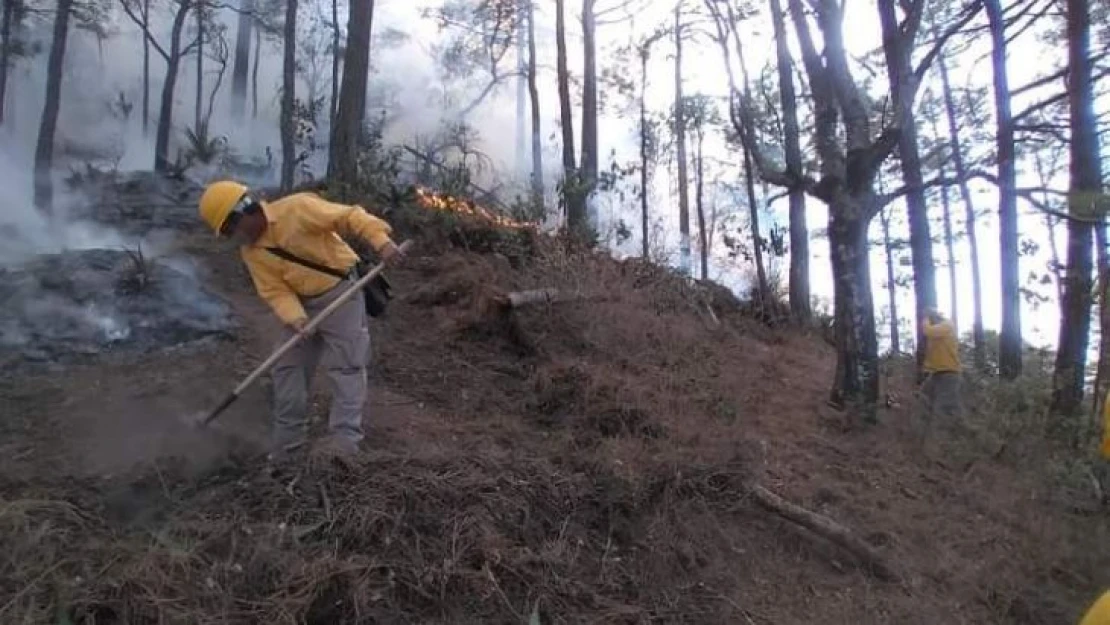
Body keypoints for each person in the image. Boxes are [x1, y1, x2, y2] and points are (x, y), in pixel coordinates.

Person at [198, 180, 404, 461]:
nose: (234, 237)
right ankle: (288, 449)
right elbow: (275, 290)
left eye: (231, 228)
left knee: (347, 367)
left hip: (342, 291)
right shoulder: (252, 253)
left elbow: (350, 216)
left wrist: (382, 243)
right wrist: (295, 319)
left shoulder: (297, 209)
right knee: (287, 368)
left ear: (244, 211)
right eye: (227, 233)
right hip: (303, 305)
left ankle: (343, 446)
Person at [918, 308, 961, 443]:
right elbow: (933, 353)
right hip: (937, 373)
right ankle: (924, 436)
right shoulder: (937, 333)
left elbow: (928, 331)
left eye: (932, 318)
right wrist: (925, 368)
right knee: (923, 399)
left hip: (950, 373)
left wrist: (925, 318)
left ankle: (942, 442)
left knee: (941, 408)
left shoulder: (947, 325)